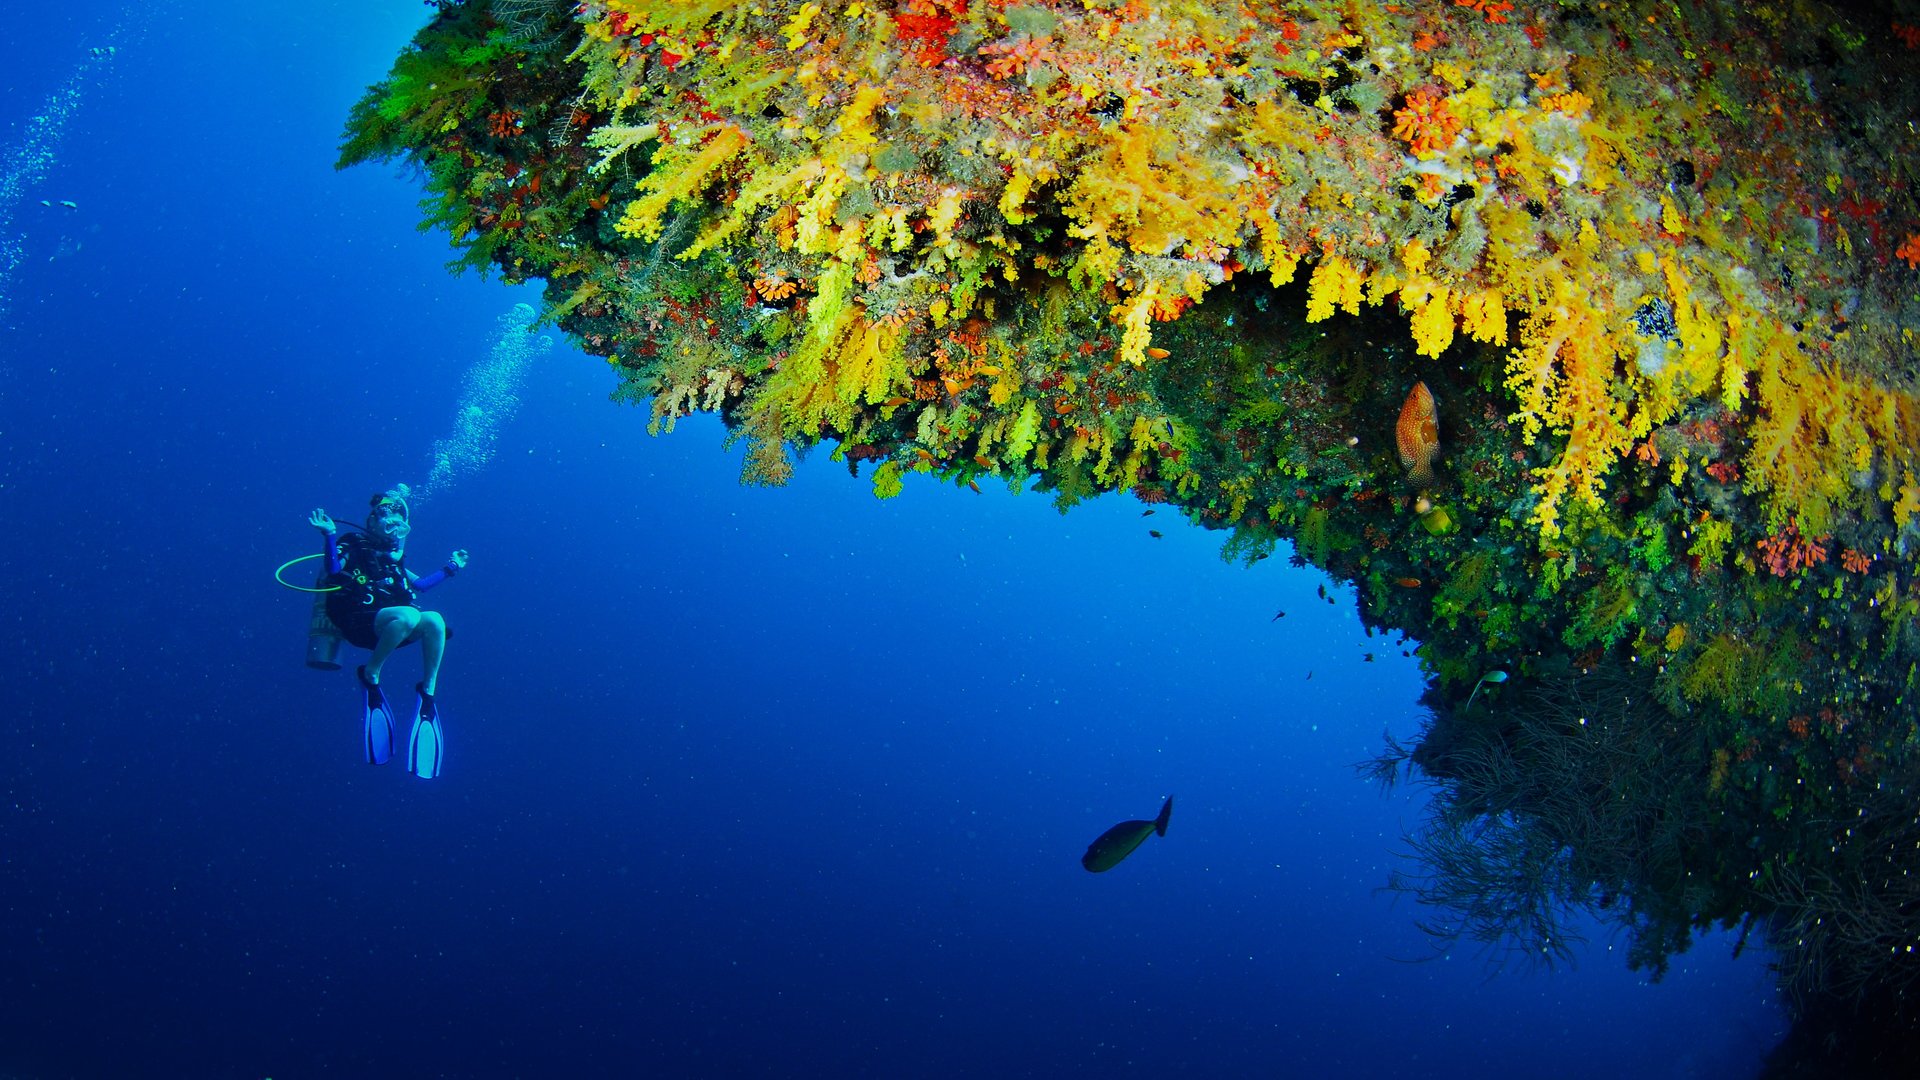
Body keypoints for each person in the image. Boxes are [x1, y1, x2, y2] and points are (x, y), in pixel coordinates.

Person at [308, 486, 468, 778]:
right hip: (357, 623)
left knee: (434, 619)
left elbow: (419, 585)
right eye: (387, 519)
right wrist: (329, 534)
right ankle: (371, 674)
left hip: (389, 626)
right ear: (372, 522)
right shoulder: (354, 543)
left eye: (398, 521)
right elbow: (332, 569)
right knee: (410, 614)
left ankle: (428, 691)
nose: (393, 526)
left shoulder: (392, 559)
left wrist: (451, 568)